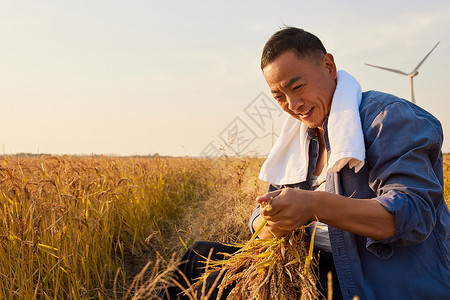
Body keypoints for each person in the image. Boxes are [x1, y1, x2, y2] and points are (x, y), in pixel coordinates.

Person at [160, 27, 450, 300]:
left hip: (370, 279)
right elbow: (270, 211)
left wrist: (314, 206)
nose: (293, 105)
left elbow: (413, 214)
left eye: (297, 87)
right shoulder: (303, 139)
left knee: (210, 288)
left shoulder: (389, 119)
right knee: (198, 257)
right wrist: (268, 218)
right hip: (314, 262)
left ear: (328, 66)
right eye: (279, 97)